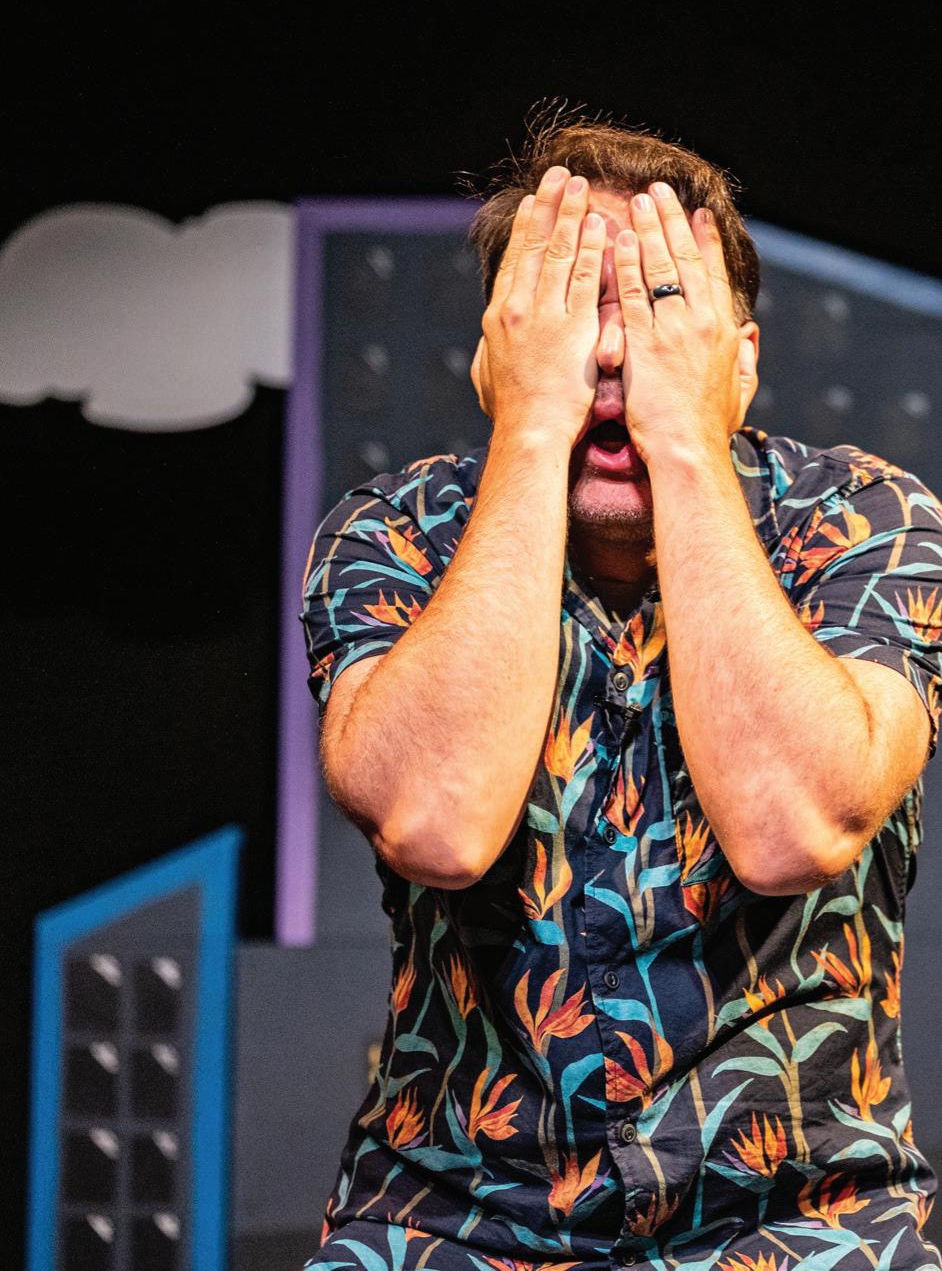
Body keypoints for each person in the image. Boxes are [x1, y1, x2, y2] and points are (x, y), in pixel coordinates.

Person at [298, 112, 942, 1270]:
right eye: (565, 306)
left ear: (742, 358)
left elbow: (795, 825)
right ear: (497, 349)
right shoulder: (397, 532)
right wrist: (533, 430)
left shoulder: (866, 520)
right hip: (449, 1215)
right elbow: (434, 822)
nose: (609, 353)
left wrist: (683, 440)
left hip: (803, 1217)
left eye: (657, 305)